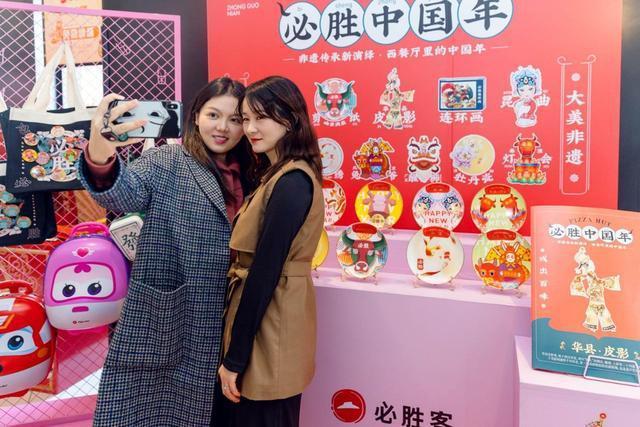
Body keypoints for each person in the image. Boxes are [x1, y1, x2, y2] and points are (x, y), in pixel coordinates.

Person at [78, 77, 257, 426]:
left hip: (232, 316)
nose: (223, 127)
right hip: (173, 315)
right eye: (213, 115)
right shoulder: (168, 159)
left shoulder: (254, 171)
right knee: (154, 411)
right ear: (195, 116)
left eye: (235, 119)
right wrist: (100, 150)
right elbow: (122, 195)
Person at [217, 76, 324, 427]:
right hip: (268, 316)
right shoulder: (275, 174)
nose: (250, 128)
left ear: (290, 119)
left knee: (263, 413)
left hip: (272, 320)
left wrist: (235, 359)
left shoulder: (292, 181)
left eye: (260, 117)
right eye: (245, 119)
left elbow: (264, 273)